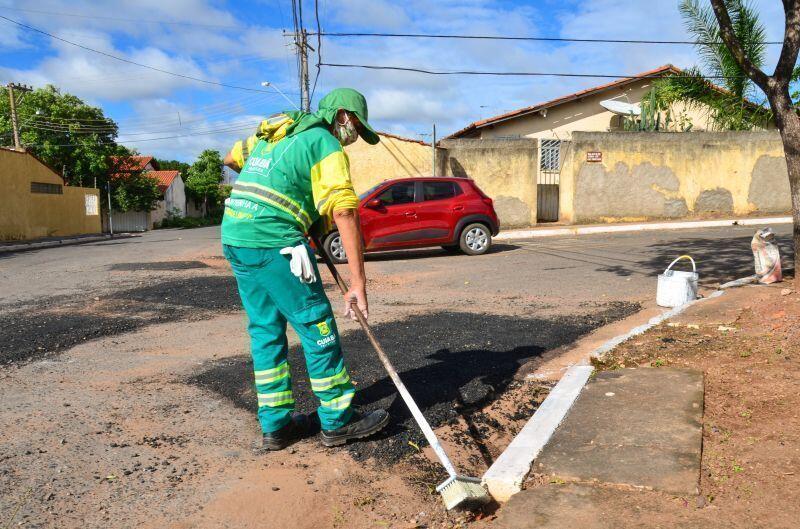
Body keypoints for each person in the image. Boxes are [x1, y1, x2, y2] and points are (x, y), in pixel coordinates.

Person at [221, 88, 388, 450]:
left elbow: (230, 159)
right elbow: (343, 210)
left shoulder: (279, 130)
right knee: (317, 323)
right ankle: (338, 420)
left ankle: (276, 425)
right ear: (343, 116)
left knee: (265, 330)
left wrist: (293, 201)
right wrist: (358, 282)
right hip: (273, 240)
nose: (355, 135)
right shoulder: (325, 143)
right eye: (356, 125)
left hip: (236, 235)